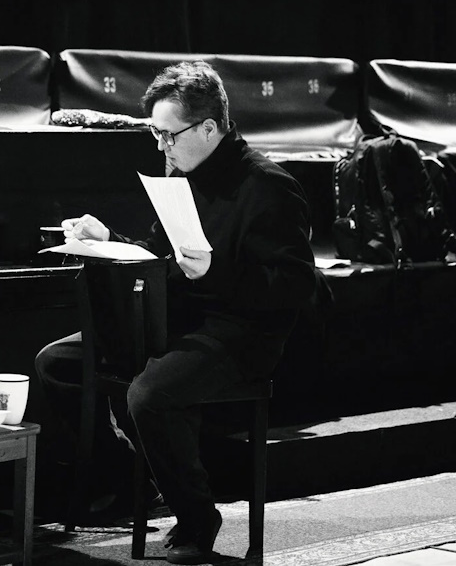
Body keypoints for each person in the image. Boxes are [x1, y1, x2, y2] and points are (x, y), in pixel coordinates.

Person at [35, 61, 320, 564]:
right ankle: (131, 480)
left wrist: (214, 273)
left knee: (149, 395)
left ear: (209, 128)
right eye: (156, 134)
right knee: (57, 363)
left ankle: (196, 516)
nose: (161, 147)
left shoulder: (268, 185)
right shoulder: (182, 174)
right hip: (178, 316)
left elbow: (297, 287)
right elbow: (159, 257)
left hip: (241, 333)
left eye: (169, 135)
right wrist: (109, 240)